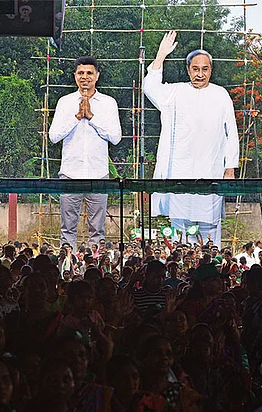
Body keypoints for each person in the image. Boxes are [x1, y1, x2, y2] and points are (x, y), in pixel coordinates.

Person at [143, 31, 239, 248]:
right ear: (188, 70)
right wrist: (160, 56)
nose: (200, 74)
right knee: (180, 230)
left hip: (211, 170)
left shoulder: (221, 94)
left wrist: (230, 167)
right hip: (180, 172)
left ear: (211, 70)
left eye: (205, 69)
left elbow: (231, 133)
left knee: (210, 228)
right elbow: (149, 87)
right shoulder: (175, 92)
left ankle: (211, 262)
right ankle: (181, 262)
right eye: (195, 69)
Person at [49, 56, 122, 249]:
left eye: (89, 73)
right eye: (80, 73)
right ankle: (68, 263)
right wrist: (76, 117)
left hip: (98, 173)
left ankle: (94, 263)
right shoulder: (65, 102)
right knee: (67, 229)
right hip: (70, 173)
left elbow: (116, 137)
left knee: (97, 230)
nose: (85, 77)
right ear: (75, 76)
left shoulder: (108, 103)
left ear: (97, 76)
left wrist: (91, 117)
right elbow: (53, 136)